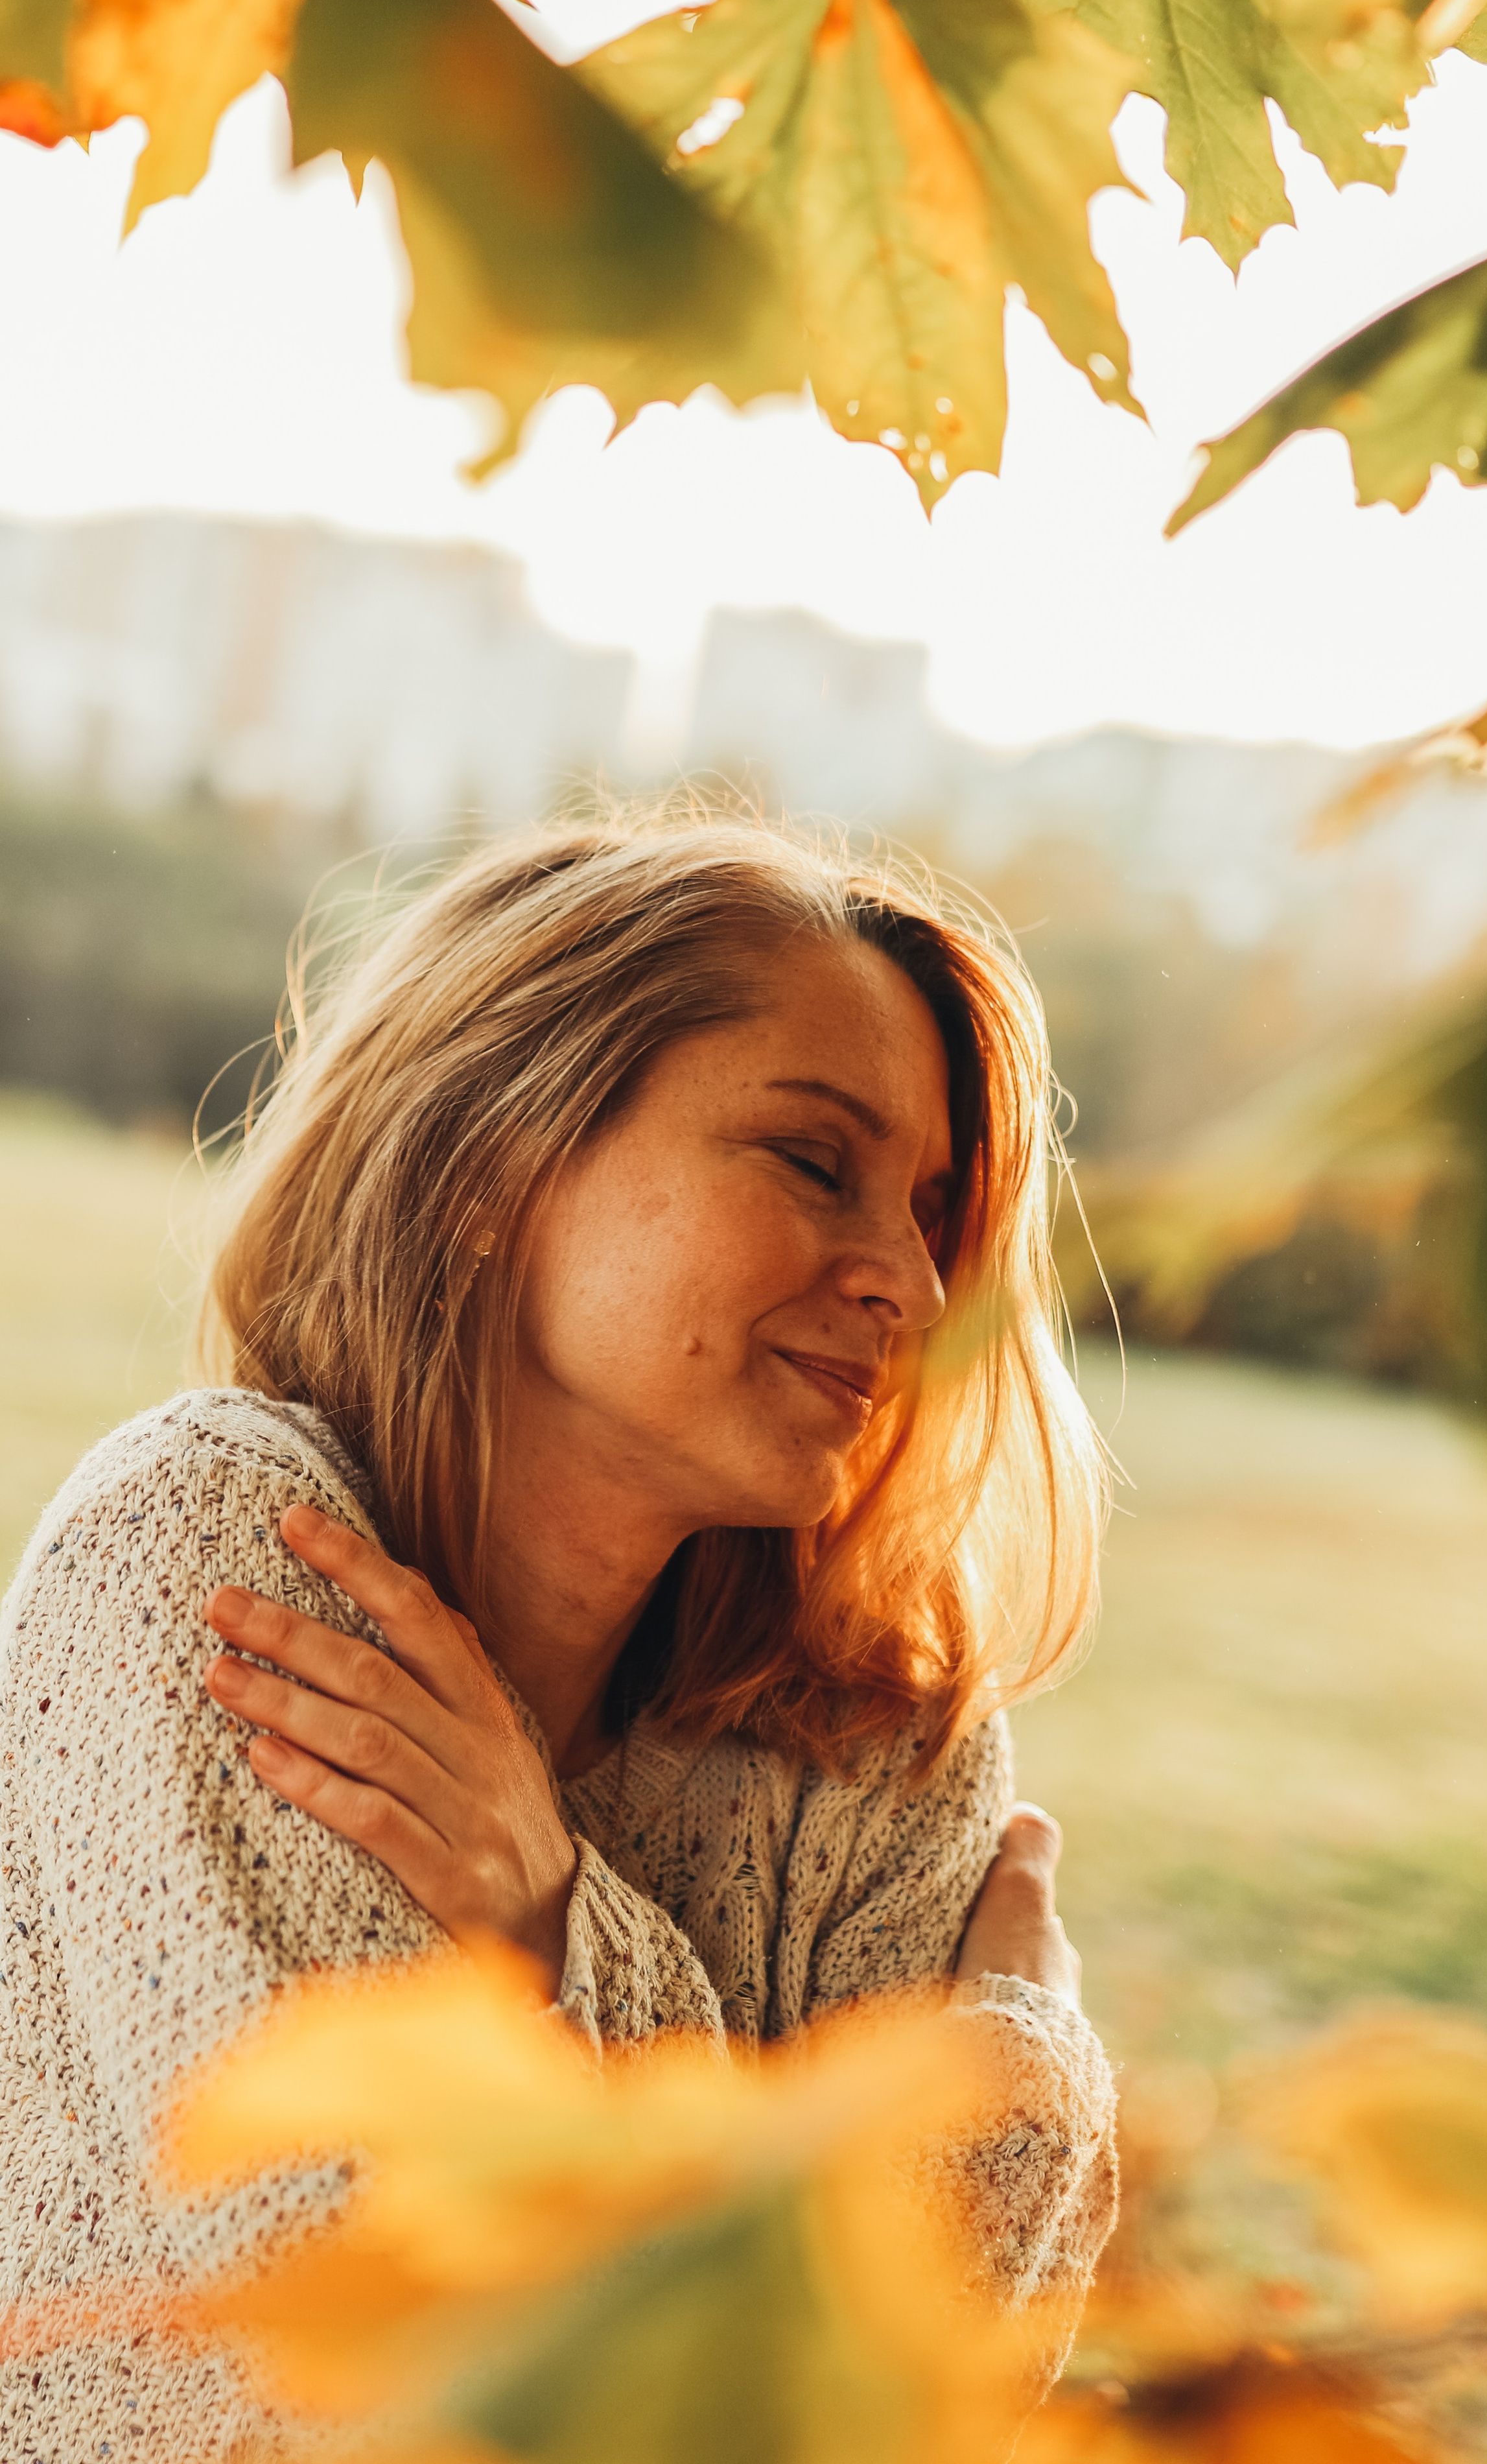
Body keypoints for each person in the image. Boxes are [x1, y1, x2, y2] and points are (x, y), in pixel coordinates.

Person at [0, 806, 1116, 2458]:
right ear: (490, 1162)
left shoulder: (878, 1731)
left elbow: (911, 2415)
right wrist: (1017, 2094)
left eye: (930, 1213)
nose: (902, 1279)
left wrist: (550, 1925)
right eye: (815, 1163)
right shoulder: (211, 1555)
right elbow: (426, 2388)